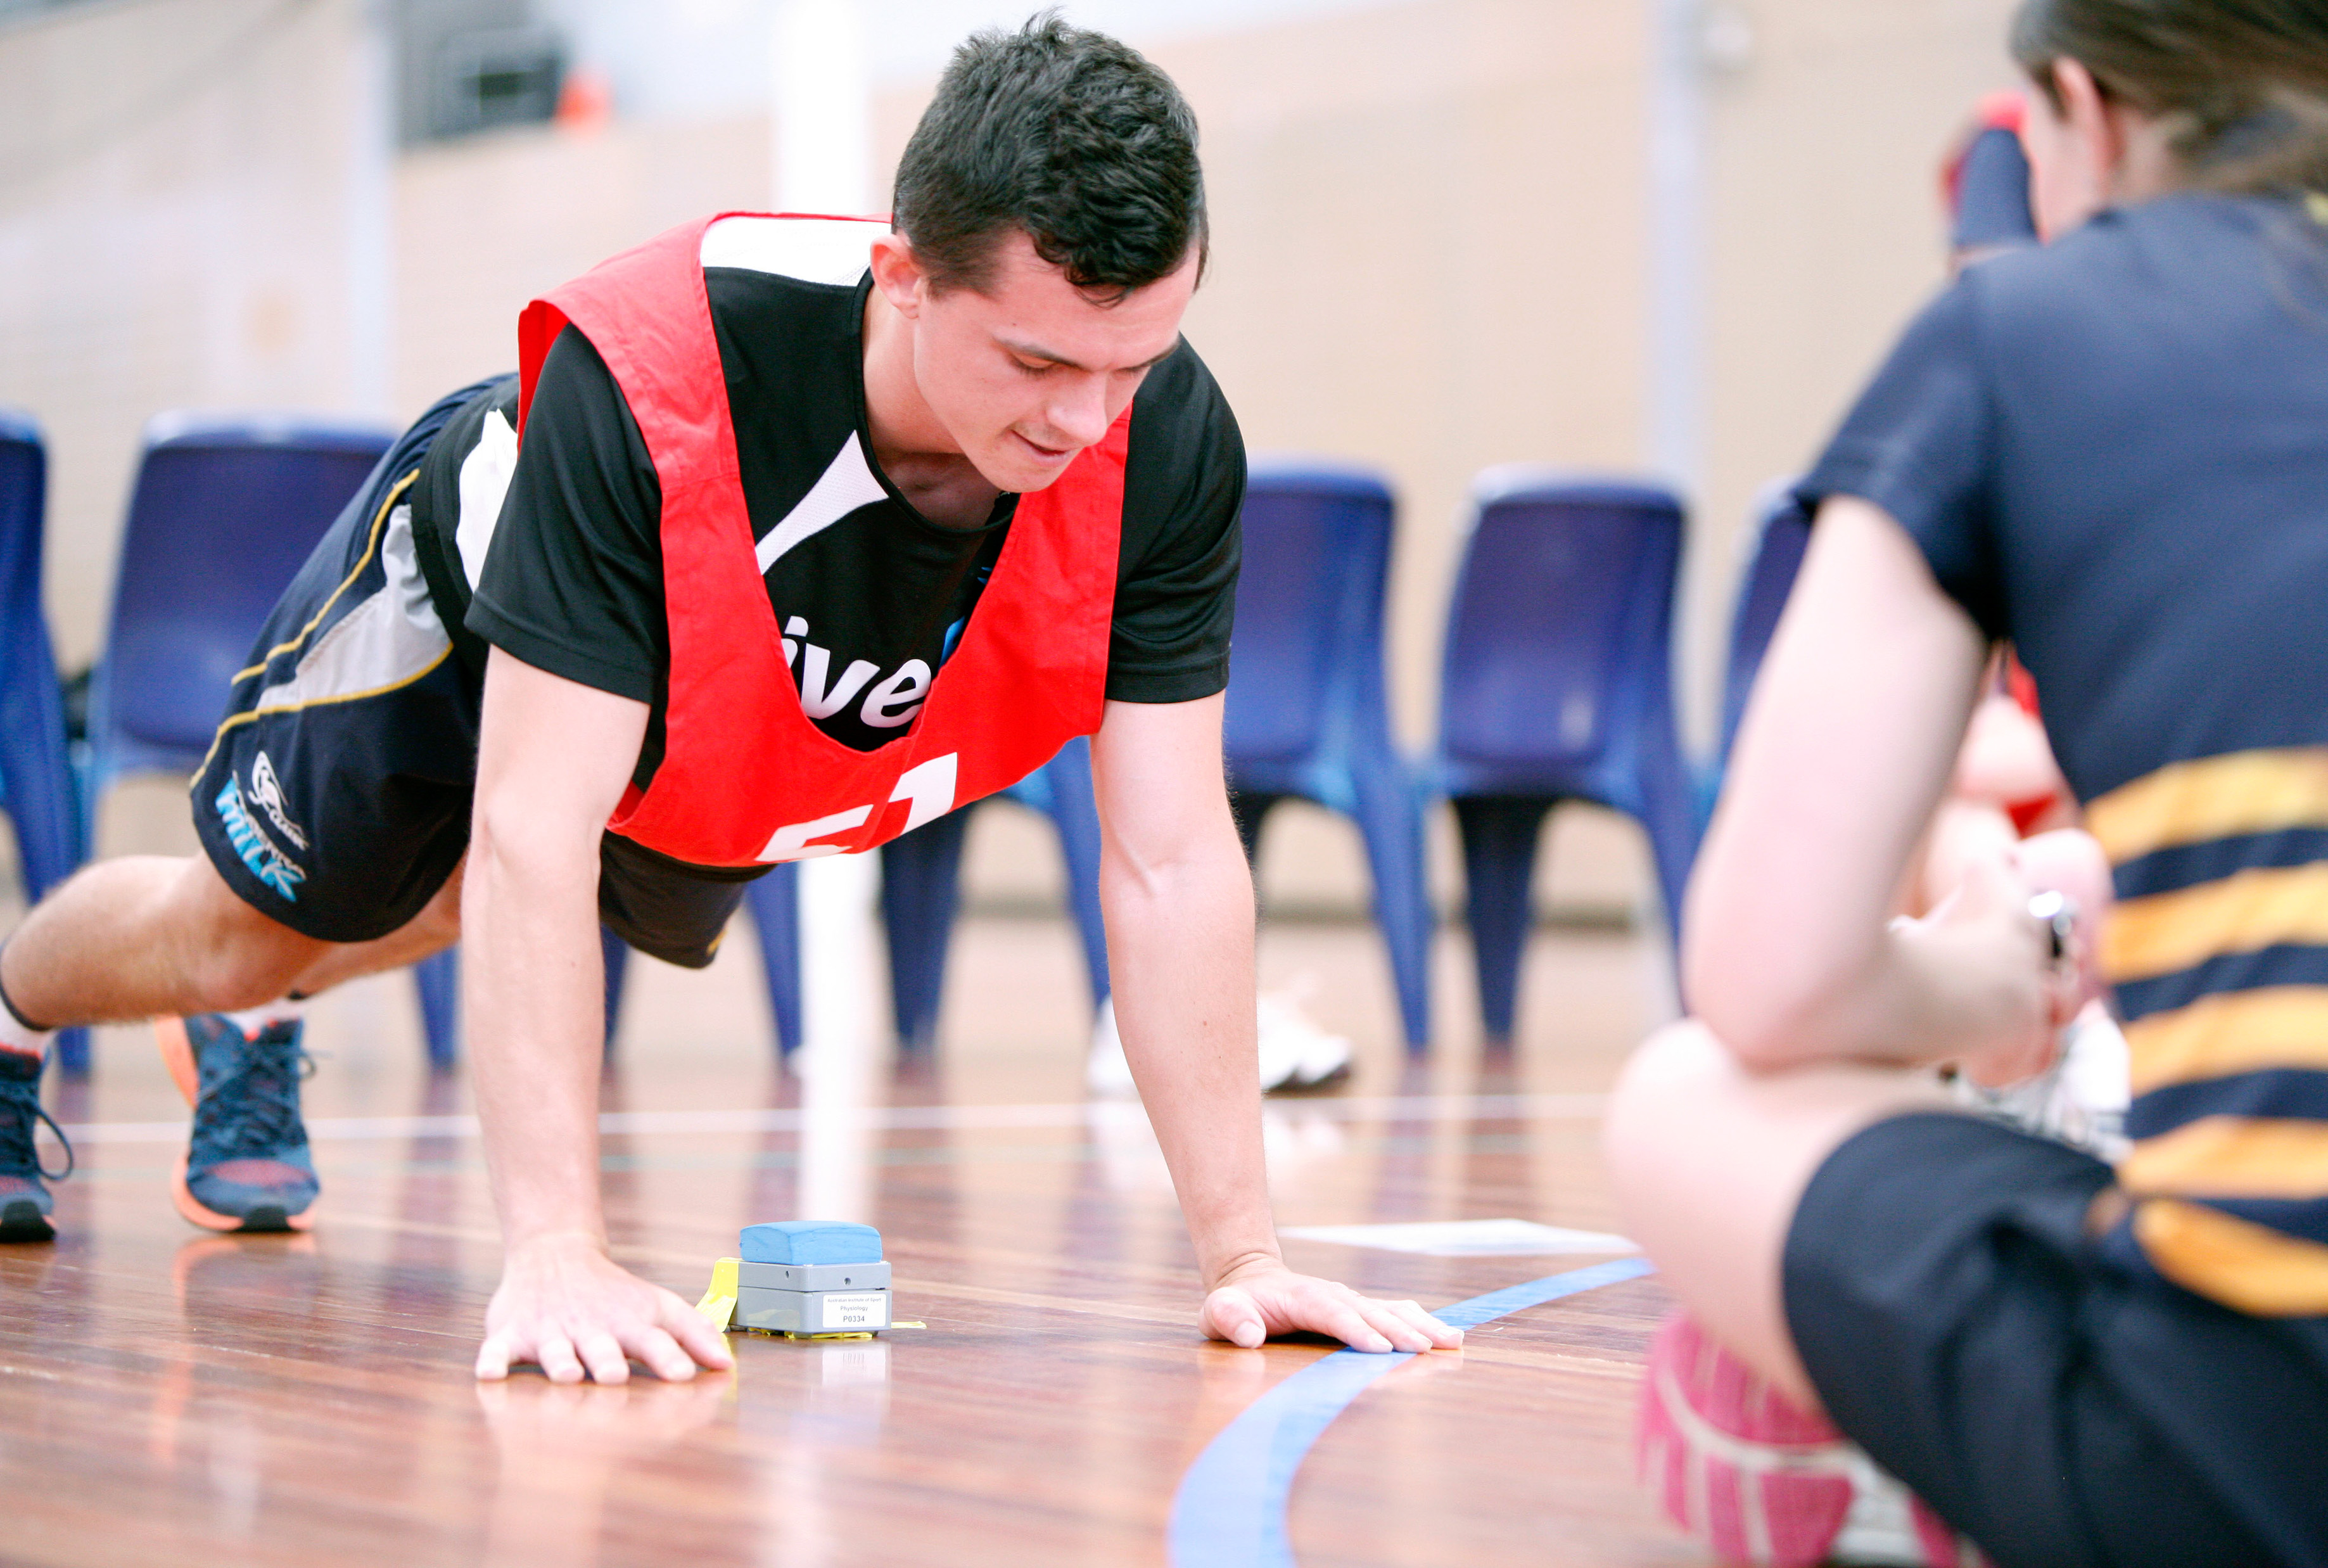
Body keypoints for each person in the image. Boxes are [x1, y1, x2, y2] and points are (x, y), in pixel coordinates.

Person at [0, 16, 1461, 1380]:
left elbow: (1168, 851)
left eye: (1128, 367)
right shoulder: (652, 377)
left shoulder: (1165, 440)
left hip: (726, 683)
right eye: (1034, 360)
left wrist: (1245, 1250)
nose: (1085, 422)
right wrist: (557, 1250)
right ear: (902, 275)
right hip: (475, 593)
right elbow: (529, 823)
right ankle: (21, 1008)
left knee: (446, 912)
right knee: (245, 937)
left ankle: (267, 1011)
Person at [1610, 0, 2328, 1564]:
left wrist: (1998, 975)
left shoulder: (2022, 337)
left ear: (2083, 106)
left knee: (1684, 1091)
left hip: (2256, 1446)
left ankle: (1910, 1456)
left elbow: (1763, 980)